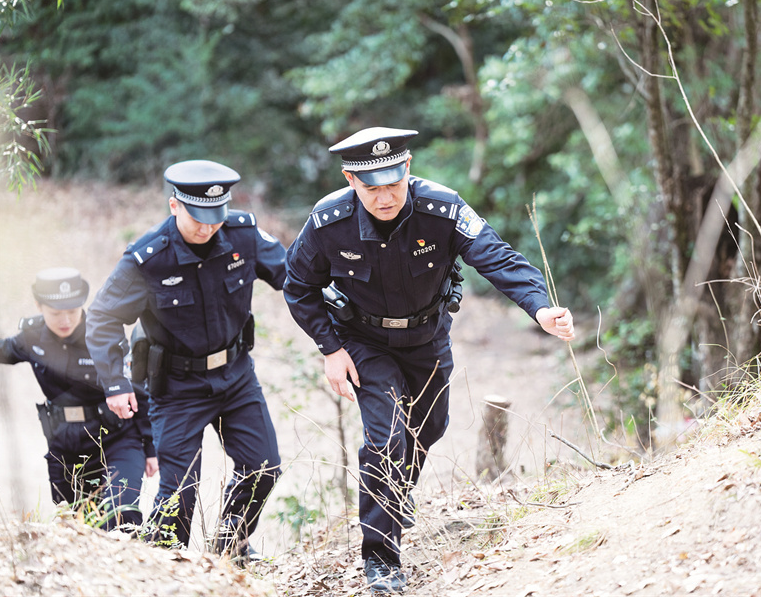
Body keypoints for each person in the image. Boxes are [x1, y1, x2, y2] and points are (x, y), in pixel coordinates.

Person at [282, 127, 575, 592]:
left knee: (430, 426)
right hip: (363, 342)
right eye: (372, 188)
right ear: (350, 181)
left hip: (427, 337)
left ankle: (396, 493)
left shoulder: (444, 207)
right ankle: (381, 558)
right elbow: (297, 287)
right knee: (385, 439)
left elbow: (496, 257)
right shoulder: (327, 221)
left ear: (408, 167)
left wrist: (539, 307)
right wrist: (331, 349)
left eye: (393, 184)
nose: (385, 197)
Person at [86, 160, 287, 562]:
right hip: (177, 387)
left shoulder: (242, 235)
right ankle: (166, 565)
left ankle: (232, 546)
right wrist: (115, 382)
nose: (207, 227)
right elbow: (102, 317)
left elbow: (293, 274)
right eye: (198, 218)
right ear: (175, 206)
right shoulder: (148, 259)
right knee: (179, 489)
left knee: (263, 466)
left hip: (235, 377)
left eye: (216, 217)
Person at [1, 267, 157, 530]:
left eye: (72, 311)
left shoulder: (103, 335)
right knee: (76, 527)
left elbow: (138, 391)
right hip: (65, 444)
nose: (65, 320)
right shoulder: (31, 336)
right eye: (55, 313)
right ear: (39, 306)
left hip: (117, 438)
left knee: (121, 516)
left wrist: (151, 447)